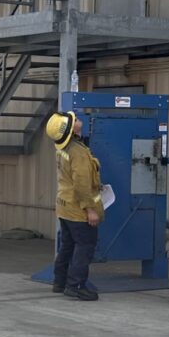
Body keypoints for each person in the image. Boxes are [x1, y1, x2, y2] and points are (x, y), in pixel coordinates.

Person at [46, 111, 103, 301]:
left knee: (68, 245)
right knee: (85, 246)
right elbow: (82, 184)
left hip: (64, 206)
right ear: (70, 130)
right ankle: (76, 285)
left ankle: (60, 281)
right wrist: (90, 210)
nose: (79, 120)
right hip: (77, 209)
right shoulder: (78, 152)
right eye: (76, 120)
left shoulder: (64, 148)